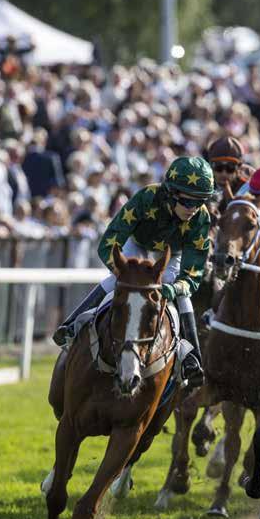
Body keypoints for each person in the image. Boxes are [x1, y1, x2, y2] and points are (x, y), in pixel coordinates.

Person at [52, 156, 215, 389]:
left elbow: (192, 276)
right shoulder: (146, 197)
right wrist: (124, 273)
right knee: (113, 280)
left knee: (182, 295)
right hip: (138, 246)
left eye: (201, 202)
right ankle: (70, 326)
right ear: (171, 193)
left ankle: (192, 358)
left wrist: (172, 288)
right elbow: (107, 243)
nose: (194, 209)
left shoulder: (201, 218)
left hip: (172, 254)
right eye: (188, 202)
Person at [206, 135, 252, 200]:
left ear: (238, 169)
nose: (224, 173)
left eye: (230, 168)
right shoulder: (202, 186)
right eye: (218, 167)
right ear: (211, 167)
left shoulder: (247, 188)